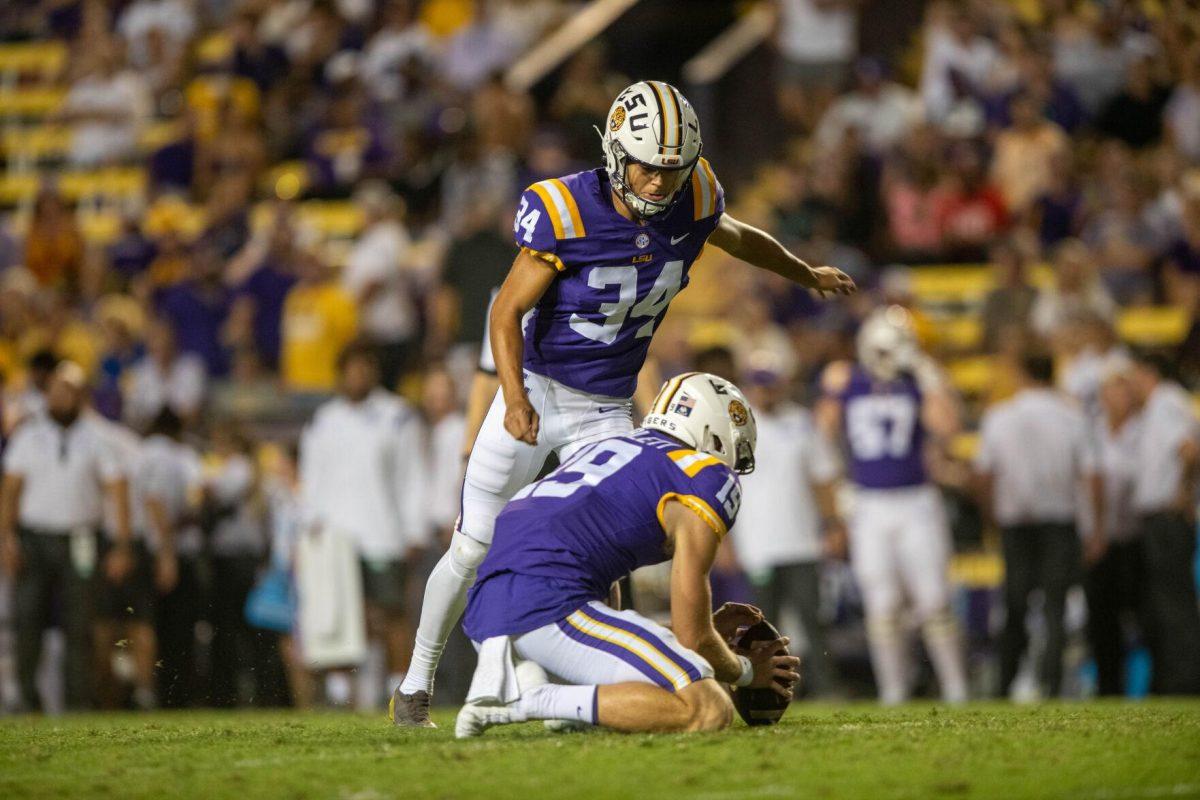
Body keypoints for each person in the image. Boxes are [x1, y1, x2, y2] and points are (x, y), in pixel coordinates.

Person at [394, 80, 855, 724]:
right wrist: (515, 397)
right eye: (647, 166)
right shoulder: (566, 207)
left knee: (609, 549)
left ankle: (594, 695)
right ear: (614, 150)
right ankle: (416, 682)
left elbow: (737, 234)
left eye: (672, 169)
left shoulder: (692, 197)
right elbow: (504, 311)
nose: (661, 183)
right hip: (537, 386)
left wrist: (802, 271)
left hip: (606, 404)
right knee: (473, 544)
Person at [454, 373, 799, 737]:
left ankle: (543, 687)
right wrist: (746, 671)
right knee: (707, 707)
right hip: (547, 602)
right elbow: (693, 638)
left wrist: (702, 632)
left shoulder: (618, 450)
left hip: (486, 611)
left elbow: (610, 616)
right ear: (713, 433)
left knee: (647, 686)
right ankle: (529, 701)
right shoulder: (705, 475)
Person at [818, 307, 968, 705]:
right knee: (882, 605)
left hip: (917, 500)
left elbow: (948, 428)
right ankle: (893, 692)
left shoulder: (917, 380)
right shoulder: (848, 380)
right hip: (868, 504)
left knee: (935, 600)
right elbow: (824, 429)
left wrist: (928, 376)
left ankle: (956, 689)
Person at [301, 342, 428, 707]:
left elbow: (412, 475)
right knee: (341, 618)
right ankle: (342, 698)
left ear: (373, 370)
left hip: (383, 533)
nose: (357, 375)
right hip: (335, 537)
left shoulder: (397, 415)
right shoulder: (323, 420)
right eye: (350, 368)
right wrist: (310, 526)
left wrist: (413, 529)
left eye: (363, 367)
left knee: (390, 616)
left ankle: (399, 691)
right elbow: (312, 479)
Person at [0, 362, 132, 711]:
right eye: (56, 390)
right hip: (34, 538)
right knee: (28, 619)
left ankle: (78, 702)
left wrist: (121, 544)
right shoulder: (29, 436)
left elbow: (117, 490)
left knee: (81, 622)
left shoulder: (98, 438)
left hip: (81, 539)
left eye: (68, 391)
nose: (61, 397)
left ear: (80, 396)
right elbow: (11, 491)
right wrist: (6, 539)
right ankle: (28, 701)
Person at [974, 352, 1103, 700]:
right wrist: (1095, 528)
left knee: (1014, 607)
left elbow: (984, 474)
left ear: (1022, 372)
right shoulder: (1072, 416)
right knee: (1055, 607)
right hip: (1059, 523)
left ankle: (1005, 685)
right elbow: (1090, 476)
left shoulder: (1000, 416)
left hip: (1016, 524)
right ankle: (1051, 685)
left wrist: (989, 518)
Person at [735, 365, 841, 698]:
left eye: (770, 386)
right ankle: (768, 689)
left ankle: (824, 686)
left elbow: (823, 478)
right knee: (764, 626)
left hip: (802, 541)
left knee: (813, 619)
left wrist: (834, 523)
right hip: (758, 543)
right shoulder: (735, 428)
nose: (765, 393)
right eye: (759, 386)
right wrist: (723, 540)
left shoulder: (802, 423)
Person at [1127, 353, 1200, 695]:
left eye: (1134, 375)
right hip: (1159, 518)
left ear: (1149, 372)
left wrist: (1183, 494)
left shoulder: (1166, 400)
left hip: (1168, 517)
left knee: (1175, 602)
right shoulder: (1159, 405)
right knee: (1164, 602)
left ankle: (1185, 681)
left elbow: (1188, 450)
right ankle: (1171, 678)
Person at [1083, 358, 1146, 696]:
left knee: (1145, 615)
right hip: (1102, 539)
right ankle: (1108, 688)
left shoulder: (1144, 428)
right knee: (1102, 619)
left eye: (1122, 389)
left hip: (1139, 536)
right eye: (1111, 390)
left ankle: (1161, 686)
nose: (1117, 397)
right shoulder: (1092, 430)